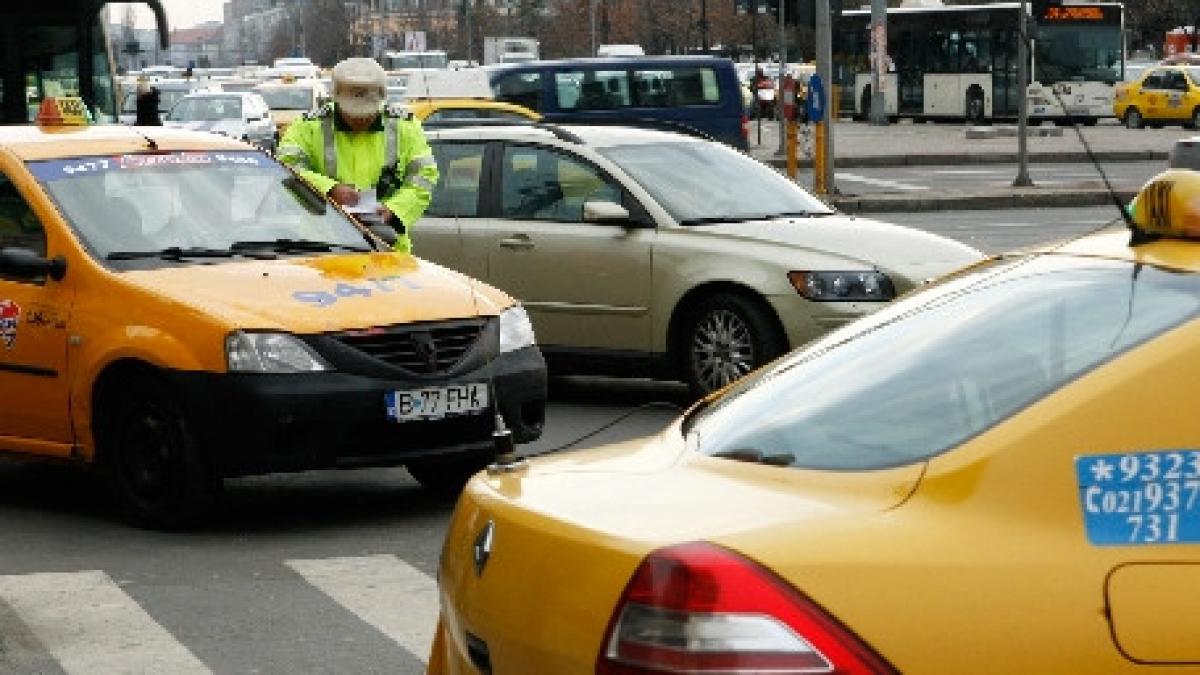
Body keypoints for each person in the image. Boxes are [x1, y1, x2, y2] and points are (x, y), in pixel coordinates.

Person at [277, 57, 438, 254]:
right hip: (323, 247)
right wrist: (329, 189)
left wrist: (394, 210)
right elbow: (284, 168)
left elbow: (424, 177)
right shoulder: (308, 127)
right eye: (352, 114)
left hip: (386, 245)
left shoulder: (405, 126)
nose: (360, 120)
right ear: (335, 99)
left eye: (367, 114)